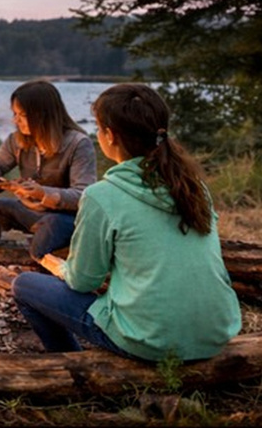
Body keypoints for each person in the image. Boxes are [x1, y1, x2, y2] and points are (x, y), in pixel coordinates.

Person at [12, 83, 241, 362]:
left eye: (98, 127)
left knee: (24, 285)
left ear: (110, 135)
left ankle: (71, 364)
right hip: (214, 334)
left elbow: (84, 281)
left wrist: (62, 269)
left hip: (150, 343)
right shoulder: (194, 188)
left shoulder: (101, 196)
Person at [0, 80, 97, 260]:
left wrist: (42, 193)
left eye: (22, 115)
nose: (16, 120)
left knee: (50, 228)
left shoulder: (78, 144)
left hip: (63, 219)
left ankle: (42, 257)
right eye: (15, 114)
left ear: (42, 115)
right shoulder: (17, 140)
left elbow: (84, 195)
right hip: (29, 212)